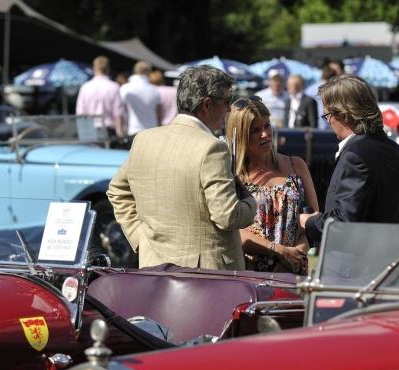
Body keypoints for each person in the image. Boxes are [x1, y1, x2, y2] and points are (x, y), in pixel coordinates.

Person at [107, 65, 256, 270]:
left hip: (154, 267)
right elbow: (227, 216)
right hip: (207, 277)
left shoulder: (144, 140)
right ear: (206, 104)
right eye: (226, 101)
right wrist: (251, 203)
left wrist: (140, 237)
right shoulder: (213, 148)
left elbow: (116, 190)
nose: (229, 109)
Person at [300, 74, 399, 247]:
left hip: (353, 266)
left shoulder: (355, 155)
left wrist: (309, 222)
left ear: (344, 114)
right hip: (389, 260)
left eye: (327, 115)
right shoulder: (396, 150)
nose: (328, 121)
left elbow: (344, 223)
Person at [227, 96, 318, 275]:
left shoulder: (296, 165)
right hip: (250, 274)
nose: (265, 134)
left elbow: (314, 219)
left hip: (293, 271)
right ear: (241, 134)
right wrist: (280, 251)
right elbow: (231, 229)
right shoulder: (232, 174)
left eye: (267, 125)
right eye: (255, 130)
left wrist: (296, 253)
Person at [75, 55, 124, 138]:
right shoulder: (114, 87)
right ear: (108, 69)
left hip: (90, 130)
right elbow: (118, 113)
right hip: (109, 131)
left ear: (94, 68)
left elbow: (80, 113)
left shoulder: (85, 87)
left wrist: (83, 133)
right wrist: (120, 133)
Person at [119, 61, 162, 136]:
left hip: (133, 130)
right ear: (148, 72)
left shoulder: (125, 88)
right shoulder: (155, 90)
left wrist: (120, 132)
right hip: (152, 130)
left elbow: (120, 111)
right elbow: (158, 113)